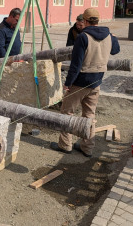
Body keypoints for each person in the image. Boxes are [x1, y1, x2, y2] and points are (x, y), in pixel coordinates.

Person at [50, 8, 120, 158]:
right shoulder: (108, 35)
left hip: (80, 81)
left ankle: (65, 145)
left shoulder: (83, 37)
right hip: (96, 81)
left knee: (67, 113)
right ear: (98, 20)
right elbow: (116, 50)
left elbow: (76, 64)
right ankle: (87, 147)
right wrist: (114, 37)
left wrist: (68, 83)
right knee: (89, 115)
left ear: (86, 21)